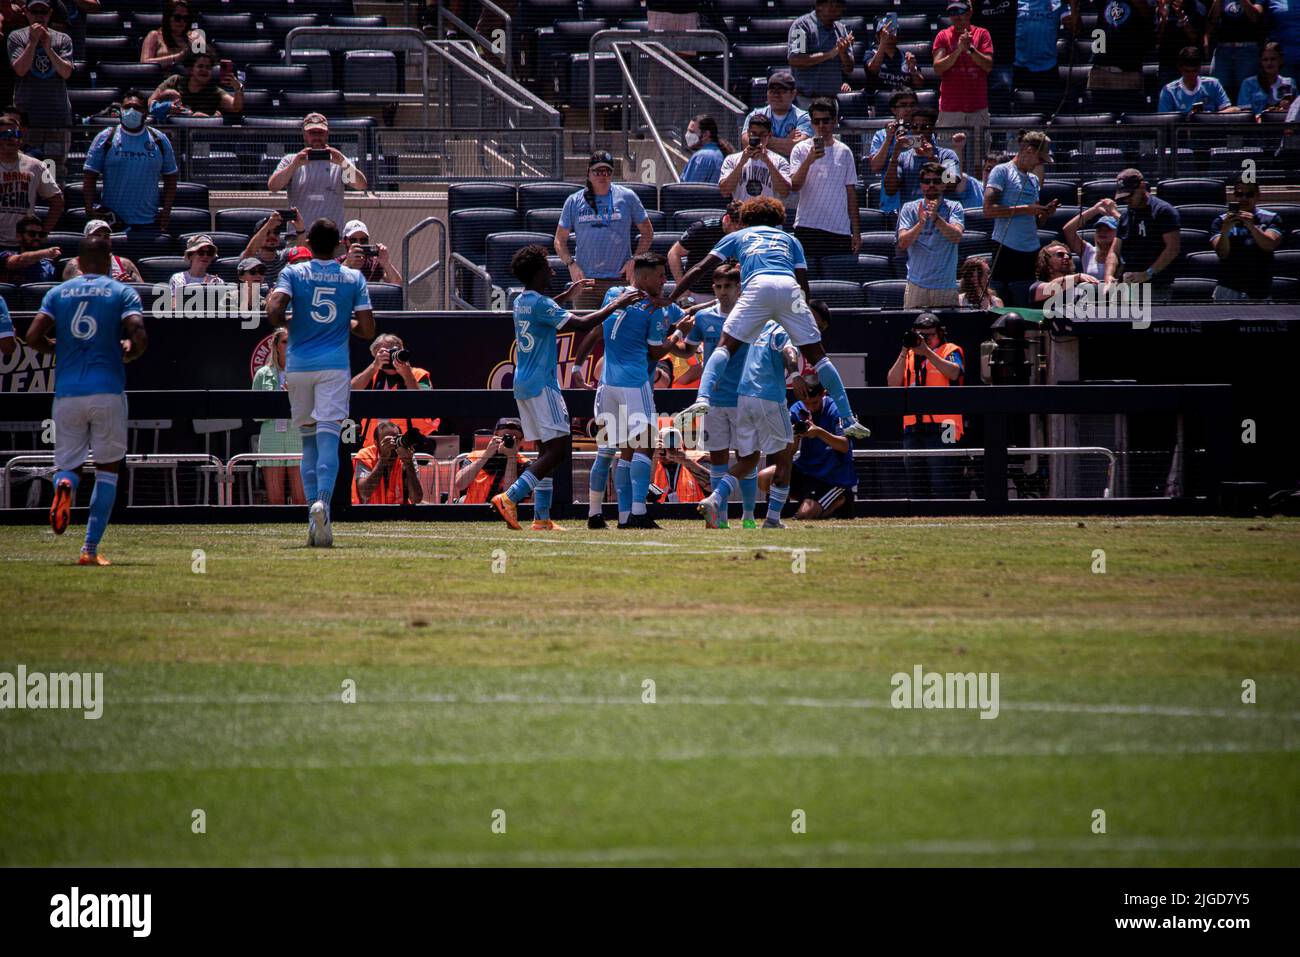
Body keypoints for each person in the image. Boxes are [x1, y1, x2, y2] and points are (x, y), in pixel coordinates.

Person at [669, 195, 872, 441]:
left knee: (724, 346)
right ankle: (848, 417)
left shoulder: (737, 236)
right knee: (818, 356)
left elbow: (700, 268)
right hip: (789, 288)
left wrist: (671, 297)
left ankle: (702, 399)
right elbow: (803, 284)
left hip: (758, 287)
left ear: (745, 219)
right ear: (777, 219)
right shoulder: (790, 239)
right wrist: (802, 315)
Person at [488, 244, 644, 531]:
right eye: (547, 267)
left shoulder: (522, 301)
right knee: (559, 451)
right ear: (536, 273)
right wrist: (616, 304)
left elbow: (543, 312)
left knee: (546, 450)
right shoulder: (542, 304)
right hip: (542, 385)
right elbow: (584, 324)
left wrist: (566, 296)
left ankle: (541, 517)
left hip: (523, 384)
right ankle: (510, 497)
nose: (551, 270)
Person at [23, 235, 147, 565]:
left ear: (78, 262)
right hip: (107, 389)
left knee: (67, 464)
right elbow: (139, 333)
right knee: (108, 469)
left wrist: (57, 348)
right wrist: (131, 354)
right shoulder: (121, 291)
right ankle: (89, 549)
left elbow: (32, 336)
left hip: (66, 393)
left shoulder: (57, 293)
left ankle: (64, 484)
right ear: (108, 262)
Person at [265, 218, 377, 548]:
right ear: (339, 245)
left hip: (299, 366)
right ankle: (323, 505)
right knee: (330, 436)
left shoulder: (293, 272)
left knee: (309, 441)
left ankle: (314, 520)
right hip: (334, 367)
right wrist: (345, 322)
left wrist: (290, 318)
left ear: (309, 243)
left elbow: (273, 312)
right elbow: (368, 329)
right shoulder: (353, 277)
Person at [571, 252, 684, 530]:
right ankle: (637, 512)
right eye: (660, 275)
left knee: (609, 451)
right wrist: (677, 335)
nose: (664, 279)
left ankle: (597, 515)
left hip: (607, 385)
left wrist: (577, 367)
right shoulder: (652, 308)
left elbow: (597, 330)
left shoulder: (613, 294)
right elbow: (656, 350)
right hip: (634, 384)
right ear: (644, 276)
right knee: (644, 445)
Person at [667, 260, 758, 527]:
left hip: (744, 398)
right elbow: (687, 351)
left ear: (739, 287)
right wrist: (670, 340)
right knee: (718, 459)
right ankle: (718, 518)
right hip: (714, 400)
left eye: (728, 286)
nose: (722, 291)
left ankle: (750, 516)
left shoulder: (752, 316)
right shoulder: (704, 317)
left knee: (746, 458)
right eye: (718, 286)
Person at [694, 317, 801, 529]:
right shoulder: (783, 327)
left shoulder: (753, 326)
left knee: (749, 459)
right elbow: (789, 352)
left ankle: (714, 499)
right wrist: (796, 374)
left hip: (743, 398)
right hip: (769, 397)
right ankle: (772, 519)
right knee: (785, 456)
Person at [555, 151, 653, 308]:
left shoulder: (627, 197)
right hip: (587, 282)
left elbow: (647, 232)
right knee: (586, 330)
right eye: (598, 171)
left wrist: (635, 259)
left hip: (620, 281)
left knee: (619, 329)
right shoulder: (574, 201)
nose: (603, 176)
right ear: (588, 173)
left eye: (607, 171)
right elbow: (559, 240)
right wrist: (571, 265)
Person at [82, 89, 178, 242]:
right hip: (113, 222)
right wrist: (89, 209)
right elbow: (89, 176)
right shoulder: (106, 137)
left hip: (149, 222)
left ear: (145, 112)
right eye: (127, 107)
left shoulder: (159, 139)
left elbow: (171, 176)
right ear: (120, 109)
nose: (131, 111)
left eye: (137, 108)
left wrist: (166, 210)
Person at [886, 312, 964, 498]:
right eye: (921, 335)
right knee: (916, 480)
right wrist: (905, 350)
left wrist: (927, 352)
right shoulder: (909, 356)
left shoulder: (950, 350)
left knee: (941, 478)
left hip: (946, 425)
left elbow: (954, 373)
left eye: (930, 335)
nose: (925, 339)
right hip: (914, 426)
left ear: (940, 333)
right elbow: (892, 383)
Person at [761, 370, 857, 519]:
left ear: (823, 394)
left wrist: (819, 432)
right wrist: (794, 436)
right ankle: (811, 500)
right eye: (806, 403)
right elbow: (790, 453)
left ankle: (838, 500)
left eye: (814, 403)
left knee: (803, 516)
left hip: (832, 476)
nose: (810, 407)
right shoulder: (797, 409)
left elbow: (844, 446)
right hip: (806, 470)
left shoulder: (836, 409)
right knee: (764, 477)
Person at [267, 114, 368, 234]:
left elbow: (361, 185)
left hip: (331, 238)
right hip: (299, 236)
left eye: (320, 132)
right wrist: (294, 165)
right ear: (304, 134)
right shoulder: (290, 159)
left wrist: (342, 162)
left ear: (327, 134)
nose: (316, 137)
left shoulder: (340, 160)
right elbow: (273, 186)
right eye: (312, 132)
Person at [788, 97, 861, 260]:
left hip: (839, 229)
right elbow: (794, 186)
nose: (821, 126)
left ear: (834, 121)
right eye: (816, 121)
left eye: (826, 120)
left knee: (839, 284)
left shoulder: (845, 151)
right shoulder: (800, 149)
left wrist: (855, 231)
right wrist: (809, 159)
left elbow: (851, 193)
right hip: (808, 227)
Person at [983, 130, 1056, 287]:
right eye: (1040, 159)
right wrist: (1025, 209)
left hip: (1031, 251)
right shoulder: (1001, 171)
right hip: (1006, 249)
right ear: (1029, 151)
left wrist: (1045, 213)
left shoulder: (1034, 180)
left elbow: (1036, 223)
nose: (1039, 163)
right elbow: (988, 210)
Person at [1103, 168, 1181, 301]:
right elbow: (1115, 250)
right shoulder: (1126, 216)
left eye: (1130, 195)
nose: (1127, 199)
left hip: (1156, 287)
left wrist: (1147, 274)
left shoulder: (1162, 211)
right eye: (1124, 196)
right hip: (1128, 286)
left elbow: (1173, 248)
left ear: (1142, 186)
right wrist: (1109, 276)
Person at [351, 332, 438, 450]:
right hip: (373, 449)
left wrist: (407, 374)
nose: (390, 356)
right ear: (375, 355)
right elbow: (349, 393)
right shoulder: (371, 375)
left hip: (410, 446)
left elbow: (424, 404)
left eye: (393, 351)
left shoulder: (418, 374)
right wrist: (374, 366)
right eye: (384, 353)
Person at [897, 162, 967, 308]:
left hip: (945, 287)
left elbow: (956, 237)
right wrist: (920, 223)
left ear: (943, 184)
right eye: (926, 181)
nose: (931, 185)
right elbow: (902, 243)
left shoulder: (954, 207)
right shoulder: (909, 208)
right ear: (921, 185)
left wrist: (935, 217)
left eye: (936, 181)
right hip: (916, 286)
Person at [251, 326, 305, 506]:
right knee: (275, 500)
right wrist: (277, 403)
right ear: (275, 345)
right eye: (284, 341)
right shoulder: (262, 374)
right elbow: (255, 414)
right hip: (271, 437)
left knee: (301, 498)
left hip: (297, 436)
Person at [1209, 176, 1285, 300]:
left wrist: (1252, 226)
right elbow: (1222, 253)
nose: (1244, 198)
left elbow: (1270, 245)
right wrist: (1225, 230)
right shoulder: (1220, 221)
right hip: (1228, 288)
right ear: (1234, 195)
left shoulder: (1271, 218)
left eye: (1249, 194)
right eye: (1239, 194)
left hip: (1260, 288)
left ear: (1257, 195)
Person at [933, 2, 993, 152]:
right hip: (950, 110)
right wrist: (959, 50)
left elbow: (987, 66)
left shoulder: (982, 34)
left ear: (969, 12)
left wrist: (970, 49)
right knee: (948, 164)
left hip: (977, 109)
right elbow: (938, 68)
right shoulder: (943, 36)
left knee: (978, 161)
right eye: (952, 12)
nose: (956, 16)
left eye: (959, 11)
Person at [7, 0, 72, 134]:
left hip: (57, 115)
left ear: (50, 13)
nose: (39, 16)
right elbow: (20, 70)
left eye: (43, 12)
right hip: (27, 117)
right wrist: (33, 42)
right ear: (26, 12)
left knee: (56, 156)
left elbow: (66, 73)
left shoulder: (63, 39)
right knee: (26, 155)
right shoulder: (16, 37)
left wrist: (48, 48)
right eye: (34, 12)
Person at [0, 106, 60, 249]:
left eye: (15, 134)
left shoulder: (38, 166)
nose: (11, 139)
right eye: (5, 135)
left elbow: (57, 201)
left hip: (23, 245)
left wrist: (41, 233)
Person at [883, 108, 962, 209]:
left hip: (942, 212)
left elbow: (951, 185)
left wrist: (932, 158)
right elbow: (890, 190)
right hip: (912, 214)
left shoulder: (947, 155)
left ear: (933, 129)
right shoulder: (901, 157)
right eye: (915, 127)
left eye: (924, 127)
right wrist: (894, 155)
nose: (919, 131)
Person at [1087, 0, 1156, 111]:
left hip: (1129, 72)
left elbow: (1148, 14)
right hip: (1101, 69)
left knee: (1128, 123)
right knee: (1098, 122)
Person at [667, 200, 740, 297]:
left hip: (731, 291)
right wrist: (682, 289)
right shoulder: (703, 228)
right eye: (736, 229)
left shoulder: (746, 233)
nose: (738, 234)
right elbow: (674, 253)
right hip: (699, 292)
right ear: (727, 219)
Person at [787, 0, 855, 103]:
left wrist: (843, 53)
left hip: (831, 101)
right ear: (819, 7)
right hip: (805, 100)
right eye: (834, 5)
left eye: (841, 5)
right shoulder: (801, 26)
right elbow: (795, 60)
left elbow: (849, 68)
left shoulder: (841, 29)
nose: (840, 9)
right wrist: (829, 55)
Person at [1015, 0, 1079, 105]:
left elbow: (1075, 29)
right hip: (1019, 67)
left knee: (1047, 109)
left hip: (1047, 68)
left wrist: (1073, 5)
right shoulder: (1015, 3)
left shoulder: (1057, 3)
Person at [149, 48, 243, 118]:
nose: (204, 70)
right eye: (200, 66)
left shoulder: (214, 91)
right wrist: (167, 107)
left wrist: (238, 87)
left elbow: (236, 107)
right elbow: (150, 102)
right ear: (191, 70)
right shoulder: (175, 80)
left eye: (208, 67)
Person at [719, 114, 792, 203]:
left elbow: (785, 192)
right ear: (748, 133)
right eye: (754, 133)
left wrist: (767, 161)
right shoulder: (732, 159)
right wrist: (742, 162)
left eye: (762, 135)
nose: (758, 138)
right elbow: (725, 191)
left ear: (769, 135)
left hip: (767, 213)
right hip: (741, 214)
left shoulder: (780, 161)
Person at [738, 70, 812, 158]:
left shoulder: (803, 118)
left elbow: (797, 148)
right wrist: (786, 141)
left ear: (793, 94)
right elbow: (746, 142)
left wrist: (761, 138)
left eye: (781, 91)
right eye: (772, 91)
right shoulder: (755, 115)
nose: (776, 95)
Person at [455, 417, 529, 504]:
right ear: (495, 436)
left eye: (514, 438)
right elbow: (460, 484)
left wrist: (511, 457)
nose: (509, 441)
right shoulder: (475, 456)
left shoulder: (525, 463)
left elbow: (510, 497)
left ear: (522, 441)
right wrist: (486, 455)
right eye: (504, 437)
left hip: (504, 514)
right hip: (473, 511)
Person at [1207, 0, 1270, 101]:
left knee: (1246, 91)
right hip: (1223, 51)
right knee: (1218, 92)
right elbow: (1212, 20)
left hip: (1247, 51)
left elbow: (1255, 17)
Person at [354, 419, 424, 505]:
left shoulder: (407, 455)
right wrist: (383, 459)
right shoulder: (365, 455)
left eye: (396, 439)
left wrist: (408, 463)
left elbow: (416, 499)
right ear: (376, 443)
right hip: (371, 513)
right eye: (387, 441)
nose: (392, 444)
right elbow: (364, 493)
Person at [1159, 46, 1239, 112]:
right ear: (1180, 68)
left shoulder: (1213, 84)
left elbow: (1230, 110)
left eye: (1195, 71)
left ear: (1200, 68)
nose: (1191, 75)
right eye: (1187, 71)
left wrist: (1209, 118)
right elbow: (1164, 121)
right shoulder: (1169, 91)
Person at [240, 210, 307, 285]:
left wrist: (300, 229)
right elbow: (249, 253)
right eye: (267, 232)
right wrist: (268, 224)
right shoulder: (251, 259)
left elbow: (300, 250)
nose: (272, 236)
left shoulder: (283, 256)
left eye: (276, 232)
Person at [63, 219, 142, 281]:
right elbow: (74, 292)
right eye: (97, 236)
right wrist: (114, 286)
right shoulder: (74, 264)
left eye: (106, 236)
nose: (102, 240)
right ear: (86, 239)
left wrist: (130, 285)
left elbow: (141, 290)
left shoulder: (125, 264)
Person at [649, 425, 711, 504]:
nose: (670, 445)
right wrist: (654, 460)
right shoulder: (651, 463)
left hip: (694, 514)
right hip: (660, 515)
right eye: (664, 442)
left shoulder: (697, 460)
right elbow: (641, 496)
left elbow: (714, 487)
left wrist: (685, 460)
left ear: (682, 444)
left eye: (673, 440)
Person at [866, 13, 925, 92]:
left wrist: (912, 70)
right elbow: (873, 69)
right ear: (877, 36)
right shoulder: (871, 53)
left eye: (892, 30)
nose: (889, 34)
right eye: (886, 31)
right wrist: (883, 42)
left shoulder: (906, 56)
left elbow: (920, 85)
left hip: (902, 100)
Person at [1063, 199, 1121, 279]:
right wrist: (1094, 209)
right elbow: (1068, 230)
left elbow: (1133, 231)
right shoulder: (1088, 251)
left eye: (1108, 229)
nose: (1102, 232)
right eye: (1099, 229)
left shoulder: (1125, 252)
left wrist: (1114, 213)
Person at [1030, 240, 1102, 303]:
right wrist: (1077, 277)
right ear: (1046, 261)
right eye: (1060, 255)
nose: (1067, 257)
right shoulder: (1036, 286)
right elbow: (1052, 288)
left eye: (1069, 255)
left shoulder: (1080, 285)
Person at [1236, 41, 1297, 115]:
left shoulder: (1290, 82)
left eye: (1273, 59)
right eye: (1265, 60)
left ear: (1280, 60)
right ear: (1260, 62)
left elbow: (1297, 110)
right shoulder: (1248, 84)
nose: (1269, 63)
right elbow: (1245, 113)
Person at [337, 219, 402, 284]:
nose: (358, 244)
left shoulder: (373, 265)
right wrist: (347, 263)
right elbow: (329, 284)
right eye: (353, 240)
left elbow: (399, 285)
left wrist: (386, 263)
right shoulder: (338, 262)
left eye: (363, 240)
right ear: (344, 242)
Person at [169, 233, 223, 308]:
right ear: (190, 256)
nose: (205, 256)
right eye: (201, 252)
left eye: (209, 253)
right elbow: (174, 307)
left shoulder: (217, 282)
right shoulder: (178, 278)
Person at [0, 212, 57, 283]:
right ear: (19, 236)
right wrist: (45, 253)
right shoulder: (4, 255)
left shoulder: (48, 266)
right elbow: (19, 260)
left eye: (41, 234)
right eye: (32, 234)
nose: (37, 237)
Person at [141, 0, 197, 68]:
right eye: (177, 18)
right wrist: (178, 57)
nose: (182, 21)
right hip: (164, 77)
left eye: (185, 18)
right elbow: (145, 63)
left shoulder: (192, 37)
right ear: (168, 18)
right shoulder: (155, 35)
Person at [680, 114, 730, 184]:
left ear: (706, 135)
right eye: (687, 131)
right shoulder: (718, 153)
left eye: (692, 132)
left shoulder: (702, 156)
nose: (687, 135)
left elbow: (689, 190)